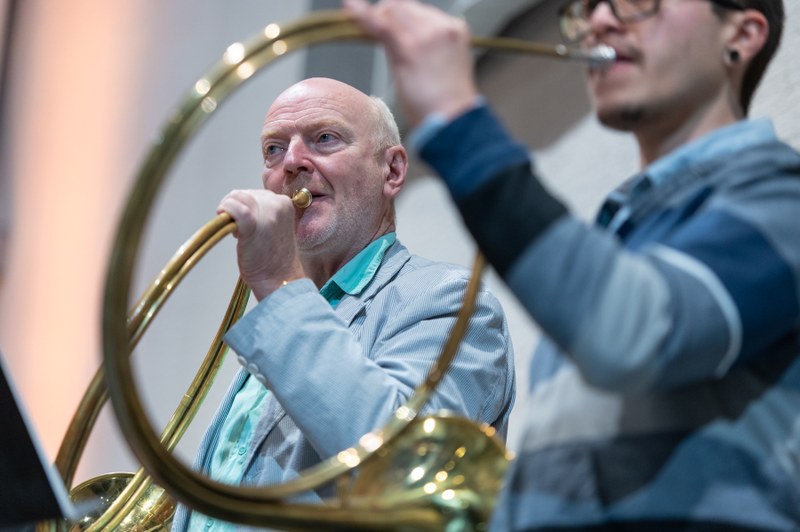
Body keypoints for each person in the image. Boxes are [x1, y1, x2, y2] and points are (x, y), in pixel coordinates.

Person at [345, 0, 800, 530]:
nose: (599, 21)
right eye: (587, 7)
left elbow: (634, 336)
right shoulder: (620, 238)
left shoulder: (781, 196)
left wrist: (459, 123)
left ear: (741, 35)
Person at [171, 77, 516, 531]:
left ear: (392, 171)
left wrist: (278, 284)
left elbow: (406, 470)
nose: (291, 162)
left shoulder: (449, 302)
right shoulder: (290, 316)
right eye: (274, 149)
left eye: (325, 138)